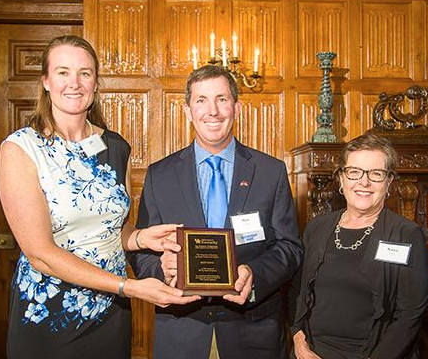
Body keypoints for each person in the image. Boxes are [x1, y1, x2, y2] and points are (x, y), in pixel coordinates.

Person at [0, 35, 199, 359]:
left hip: (110, 314)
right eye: (63, 72)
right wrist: (129, 287)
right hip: (49, 314)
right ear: (46, 81)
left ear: (95, 83)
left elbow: (112, 230)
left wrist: (141, 238)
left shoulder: (115, 147)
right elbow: (41, 254)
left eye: (85, 73)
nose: (74, 83)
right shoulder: (21, 148)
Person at [128, 65, 303, 359]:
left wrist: (254, 274)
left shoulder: (270, 172)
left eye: (222, 99)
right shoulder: (160, 175)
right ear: (187, 111)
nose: (213, 111)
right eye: (201, 100)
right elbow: (141, 246)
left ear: (236, 107)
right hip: (181, 332)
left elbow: (290, 247)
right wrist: (161, 270)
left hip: (252, 331)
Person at [291, 132, 428, 359]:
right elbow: (297, 291)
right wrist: (299, 342)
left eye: (375, 174)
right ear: (341, 178)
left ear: (389, 181)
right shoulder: (317, 227)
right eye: (354, 172)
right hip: (310, 353)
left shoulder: (406, 234)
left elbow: (410, 315)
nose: (363, 182)